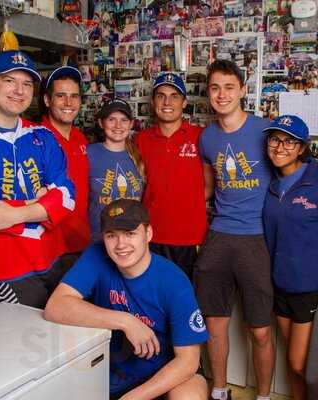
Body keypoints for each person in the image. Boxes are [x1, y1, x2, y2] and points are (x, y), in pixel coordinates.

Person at [44, 199, 209, 400]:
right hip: (113, 373)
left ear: (148, 234)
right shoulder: (97, 255)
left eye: (130, 234)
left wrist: (133, 398)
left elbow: (188, 362)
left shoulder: (174, 281)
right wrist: (126, 321)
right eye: (112, 235)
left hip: (165, 375)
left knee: (188, 397)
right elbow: (55, 307)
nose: (121, 245)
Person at [0, 50, 75, 309]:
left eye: (27, 83)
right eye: (9, 81)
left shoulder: (43, 135)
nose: (19, 90)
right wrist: (39, 207)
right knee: (28, 342)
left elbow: (66, 196)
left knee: (64, 335)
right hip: (5, 267)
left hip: (53, 257)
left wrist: (13, 213)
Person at [195, 59, 274, 400]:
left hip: (256, 238)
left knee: (259, 330)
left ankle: (264, 395)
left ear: (243, 89)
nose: (222, 94)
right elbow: (207, 190)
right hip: (219, 237)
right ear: (208, 93)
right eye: (215, 88)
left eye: (229, 87)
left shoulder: (266, 130)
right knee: (214, 325)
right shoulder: (207, 137)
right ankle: (219, 391)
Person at [262, 115, 318, 400]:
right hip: (280, 286)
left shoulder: (315, 180)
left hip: (310, 289)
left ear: (301, 148)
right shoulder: (271, 186)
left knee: (302, 365)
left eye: (289, 141)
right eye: (274, 139)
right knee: (293, 366)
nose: (279, 147)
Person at [135, 72, 207, 280]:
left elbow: (210, 185)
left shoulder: (200, 136)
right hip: (150, 236)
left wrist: (187, 205)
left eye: (174, 96)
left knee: (186, 301)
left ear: (184, 102)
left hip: (190, 239)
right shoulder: (140, 140)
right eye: (161, 95)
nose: (167, 102)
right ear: (153, 101)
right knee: (153, 300)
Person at [40, 66, 90, 288]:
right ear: (47, 100)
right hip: (49, 248)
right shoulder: (34, 138)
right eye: (61, 96)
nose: (69, 103)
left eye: (74, 96)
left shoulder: (81, 138)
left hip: (81, 243)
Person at [87, 99, 145, 242]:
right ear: (101, 123)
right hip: (98, 237)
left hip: (131, 240)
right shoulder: (89, 153)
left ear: (131, 124)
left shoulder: (140, 154)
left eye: (124, 120)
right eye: (111, 119)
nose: (118, 125)